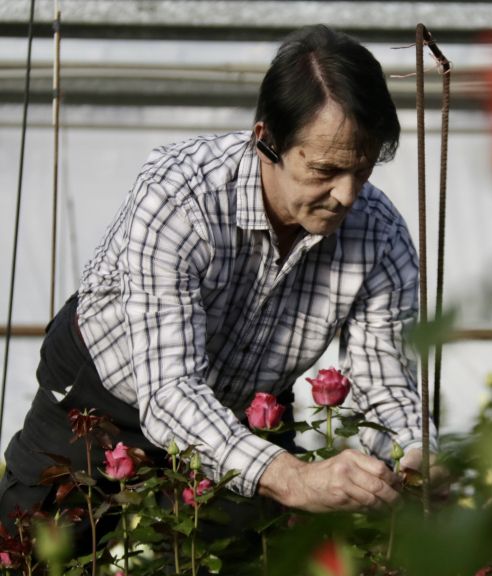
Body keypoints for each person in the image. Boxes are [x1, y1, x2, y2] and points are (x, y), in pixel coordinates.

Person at [0, 24, 437, 531]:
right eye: (325, 170)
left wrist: (416, 455)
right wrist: (293, 476)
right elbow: (169, 392)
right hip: (100, 403)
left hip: (241, 416)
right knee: (26, 562)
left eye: (361, 171)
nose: (347, 196)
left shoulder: (378, 235)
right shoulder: (181, 197)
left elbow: (384, 379)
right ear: (266, 140)